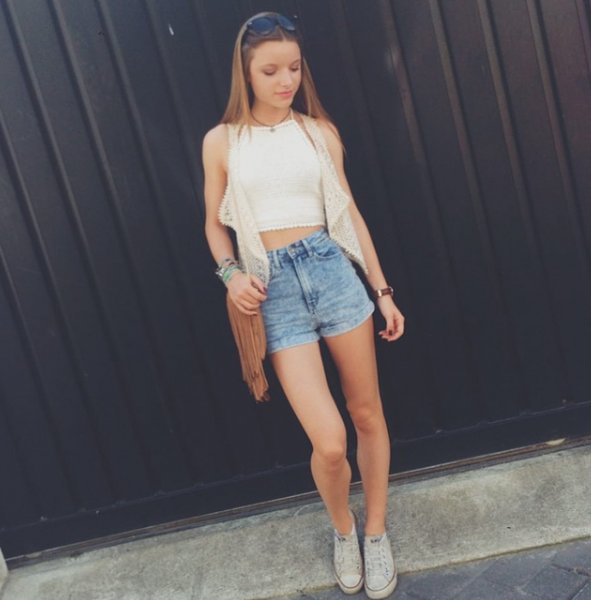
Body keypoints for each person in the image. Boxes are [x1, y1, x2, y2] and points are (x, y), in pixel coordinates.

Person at [202, 11, 405, 599]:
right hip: (275, 292)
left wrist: (381, 290)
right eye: (270, 71)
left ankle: (375, 531)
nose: (285, 80)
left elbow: (348, 213)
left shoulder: (319, 133)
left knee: (367, 415)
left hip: (332, 273)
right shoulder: (222, 141)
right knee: (331, 442)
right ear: (246, 73)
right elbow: (214, 224)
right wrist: (230, 275)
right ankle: (343, 529)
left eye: (293, 67)